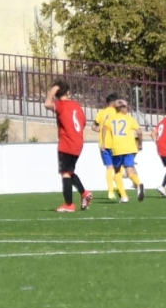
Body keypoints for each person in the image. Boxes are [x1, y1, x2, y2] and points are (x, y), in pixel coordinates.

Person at [45, 82, 92, 213]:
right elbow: (83, 123)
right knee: (69, 171)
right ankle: (84, 193)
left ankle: (69, 204)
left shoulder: (60, 105)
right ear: (68, 92)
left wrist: (52, 90)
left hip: (66, 143)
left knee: (65, 173)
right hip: (78, 143)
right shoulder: (76, 106)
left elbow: (47, 104)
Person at [107, 97, 145, 202]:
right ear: (123, 109)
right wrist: (140, 144)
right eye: (126, 107)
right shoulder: (129, 119)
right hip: (130, 148)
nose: (127, 109)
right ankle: (139, 184)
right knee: (130, 171)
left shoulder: (110, 119)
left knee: (117, 172)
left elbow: (105, 132)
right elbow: (139, 132)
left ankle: (124, 197)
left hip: (117, 148)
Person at [95, 93, 120, 200]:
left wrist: (101, 130)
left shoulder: (101, 112)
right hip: (115, 143)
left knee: (109, 167)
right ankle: (116, 186)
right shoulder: (116, 112)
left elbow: (93, 127)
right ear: (114, 103)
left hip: (103, 144)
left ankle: (110, 191)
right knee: (119, 167)